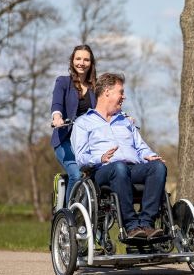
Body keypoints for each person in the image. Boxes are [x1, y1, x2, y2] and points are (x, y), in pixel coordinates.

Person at [71, 73, 166, 239]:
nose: (124, 96)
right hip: (103, 171)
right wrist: (100, 158)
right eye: (120, 92)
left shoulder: (126, 121)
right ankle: (131, 226)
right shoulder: (83, 123)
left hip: (132, 169)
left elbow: (141, 147)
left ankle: (146, 224)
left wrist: (150, 156)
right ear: (107, 92)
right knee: (119, 168)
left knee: (158, 167)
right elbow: (81, 159)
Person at [51, 44, 97, 203]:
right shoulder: (63, 82)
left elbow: (106, 109)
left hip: (88, 142)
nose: (81, 63)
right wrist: (57, 118)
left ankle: (91, 222)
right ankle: (70, 217)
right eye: (78, 58)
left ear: (91, 63)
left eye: (86, 59)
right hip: (65, 141)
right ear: (72, 60)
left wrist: (121, 113)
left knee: (97, 179)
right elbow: (56, 105)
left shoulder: (95, 87)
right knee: (77, 174)